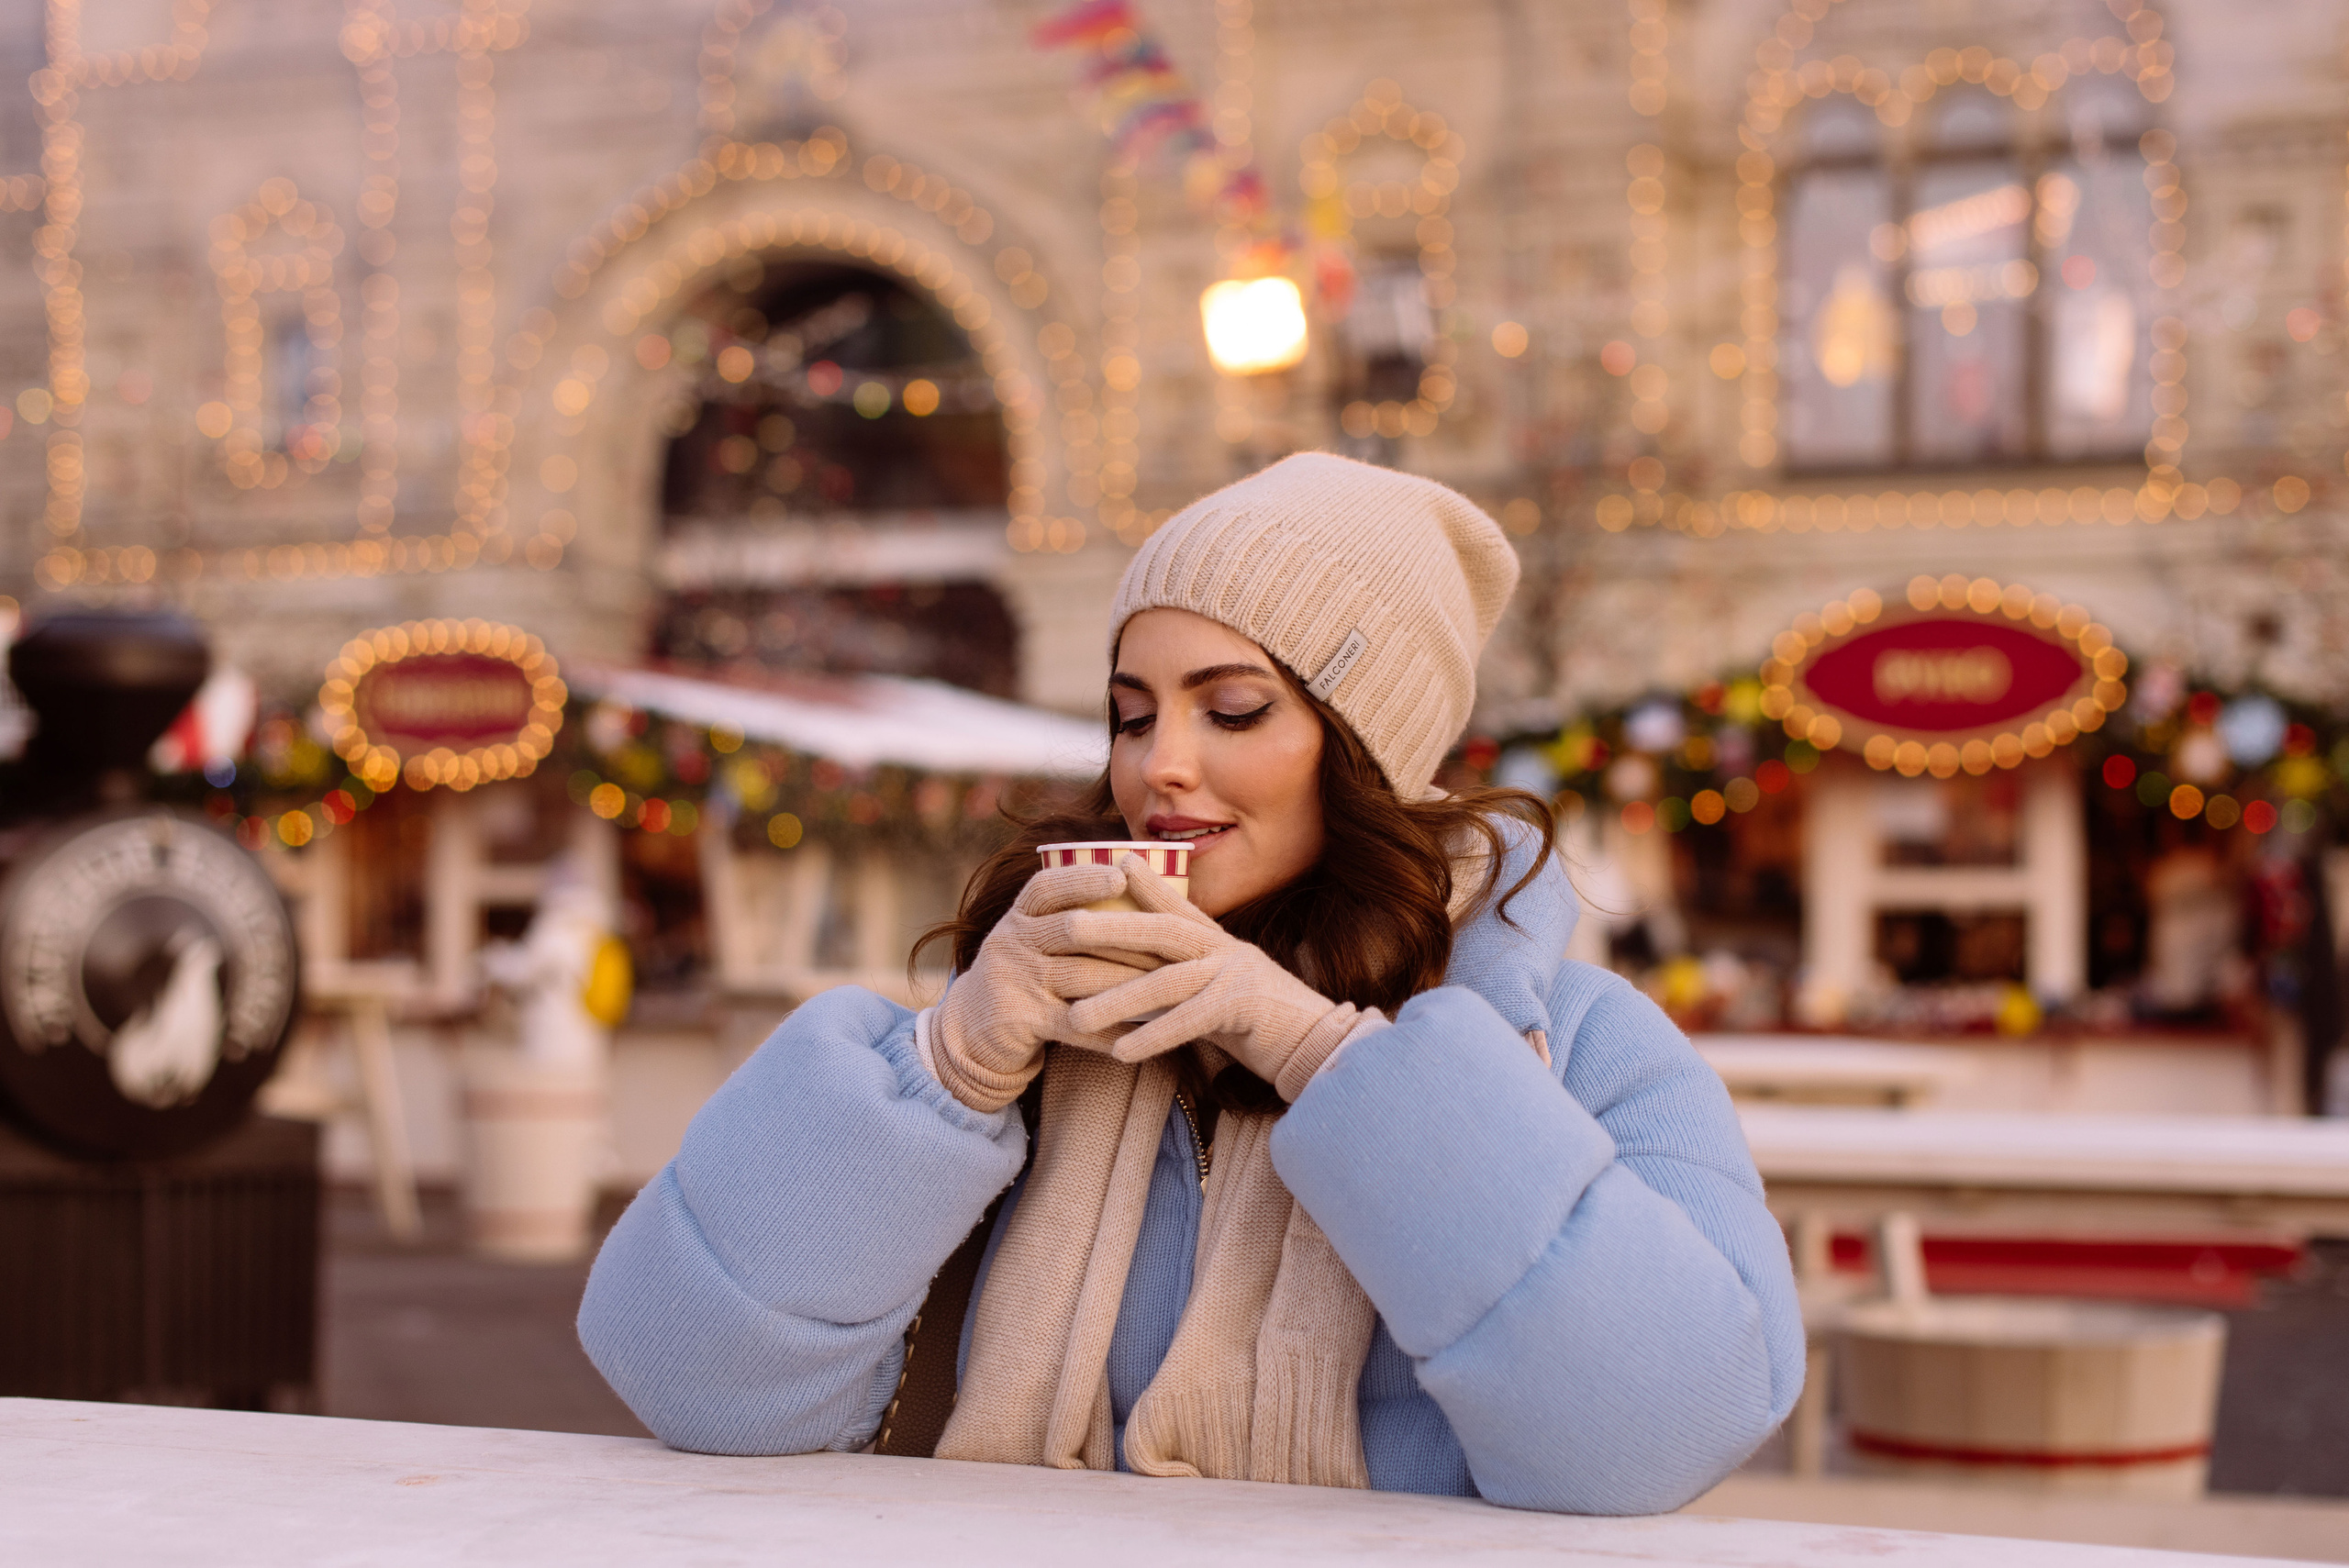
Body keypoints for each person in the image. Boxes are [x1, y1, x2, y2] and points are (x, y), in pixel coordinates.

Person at [578, 452, 1803, 1514]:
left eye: (1232, 709)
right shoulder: (1032, 1020)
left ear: (1364, 749)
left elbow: (1665, 1430)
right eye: (1131, 715)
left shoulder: (1574, 1045)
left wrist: (1328, 1058)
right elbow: (687, 1375)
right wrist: (948, 1066)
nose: (1160, 764)